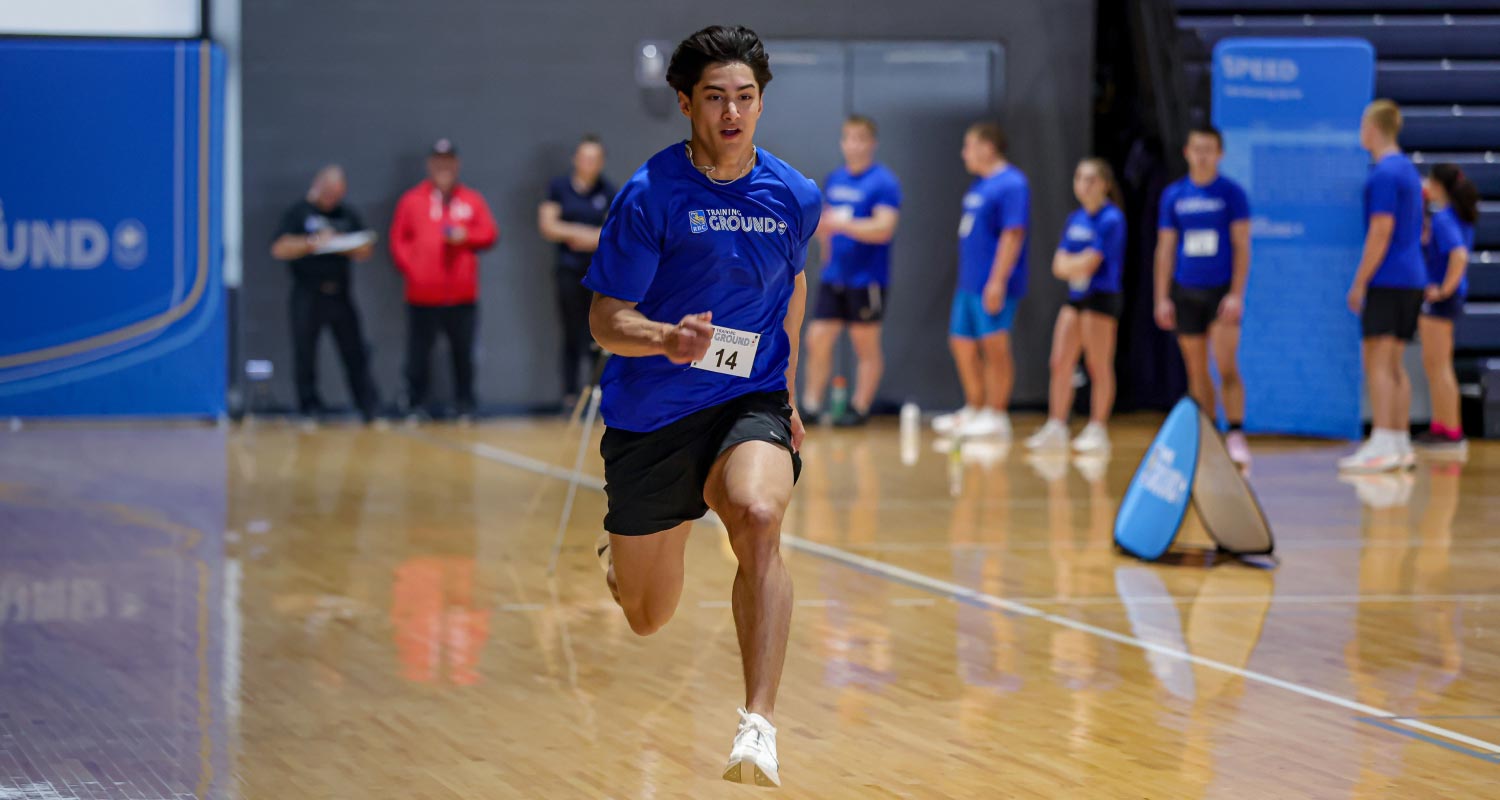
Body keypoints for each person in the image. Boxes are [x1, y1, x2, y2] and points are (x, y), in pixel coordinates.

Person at [584, 25, 819, 788]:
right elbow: (604, 318)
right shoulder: (650, 195)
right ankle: (621, 564)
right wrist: (664, 337)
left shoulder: (793, 196)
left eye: (745, 97)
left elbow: (793, 285)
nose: (731, 112)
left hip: (746, 400)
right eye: (714, 97)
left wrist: (788, 391)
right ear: (685, 102)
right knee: (648, 615)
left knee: (757, 514)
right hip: (653, 413)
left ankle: (759, 725)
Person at [1152, 126, 1253, 466]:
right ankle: (1207, 436)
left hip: (1220, 291)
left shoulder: (1231, 194)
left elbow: (1242, 245)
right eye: (1197, 149)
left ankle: (1236, 433)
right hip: (1185, 291)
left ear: (1220, 154)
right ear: (1187, 152)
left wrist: (1236, 293)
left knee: (1226, 365)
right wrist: (1161, 297)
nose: (1203, 155)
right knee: (1195, 371)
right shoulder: (1174, 195)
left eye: (1209, 149)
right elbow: (1165, 249)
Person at [1341, 100, 1426, 473]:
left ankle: (1381, 441)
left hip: (1388, 277)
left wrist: (1360, 281)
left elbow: (1381, 230)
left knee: (1375, 359)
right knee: (1394, 363)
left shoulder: (1383, 175)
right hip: (1412, 277)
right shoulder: (1408, 170)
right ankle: (1399, 441)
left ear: (1372, 129)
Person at [801, 115, 902, 427]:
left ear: (871, 143)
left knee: (865, 344)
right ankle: (811, 405)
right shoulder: (836, 179)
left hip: (867, 278)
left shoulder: (883, 182)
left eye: (860, 139)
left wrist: (844, 224)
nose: (853, 145)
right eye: (848, 138)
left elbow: (884, 228)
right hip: (835, 276)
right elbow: (828, 225)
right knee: (817, 337)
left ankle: (859, 407)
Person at [389, 139, 498, 422]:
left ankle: (465, 403)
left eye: (448, 161)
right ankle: (415, 403)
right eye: (438, 162)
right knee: (419, 353)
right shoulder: (412, 200)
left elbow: (489, 234)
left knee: (463, 352)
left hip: (461, 294)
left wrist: (467, 237)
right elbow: (398, 240)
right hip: (422, 293)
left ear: (456, 165)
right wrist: (413, 268)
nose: (443, 167)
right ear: (430, 165)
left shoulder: (471, 200)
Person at [932, 122, 1029, 439]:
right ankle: (975, 407)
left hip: (993, 281)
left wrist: (998, 281)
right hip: (969, 282)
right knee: (961, 342)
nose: (964, 153)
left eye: (969, 146)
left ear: (988, 147)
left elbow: (1013, 234)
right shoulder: (979, 185)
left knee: (995, 345)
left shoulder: (1012, 183)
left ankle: (997, 414)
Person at [1025, 158, 1126, 454]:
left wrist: (1075, 264)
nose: (1084, 184)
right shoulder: (1075, 219)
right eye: (1080, 177)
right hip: (1076, 298)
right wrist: (1074, 265)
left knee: (1097, 363)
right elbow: (1058, 264)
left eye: (1091, 179)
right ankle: (1057, 424)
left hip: (1101, 298)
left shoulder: (1111, 219)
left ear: (1105, 184)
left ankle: (1098, 427)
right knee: (1060, 361)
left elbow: (1091, 262)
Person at [269, 165, 380, 424]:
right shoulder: (299, 213)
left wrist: (341, 243)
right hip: (308, 293)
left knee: (354, 351)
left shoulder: (346, 214)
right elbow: (279, 248)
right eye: (328, 193)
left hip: (340, 293)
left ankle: (368, 406)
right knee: (305, 352)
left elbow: (365, 249)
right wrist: (311, 243)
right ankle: (309, 407)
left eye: (337, 194)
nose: (332, 199)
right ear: (318, 186)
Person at [538, 135, 617, 408]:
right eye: (584, 157)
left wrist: (581, 234)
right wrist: (585, 233)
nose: (588, 162)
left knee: (598, 332)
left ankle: (597, 394)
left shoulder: (608, 191)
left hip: (598, 273)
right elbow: (549, 226)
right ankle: (570, 395)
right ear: (575, 159)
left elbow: (613, 232)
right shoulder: (559, 187)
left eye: (594, 158)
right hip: (568, 271)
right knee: (571, 332)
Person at [1415, 163, 1478, 458]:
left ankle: (1451, 429)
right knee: (1435, 363)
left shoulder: (1444, 219)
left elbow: (1459, 255)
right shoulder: (1453, 216)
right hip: (1447, 297)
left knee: (1438, 365)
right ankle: (1442, 425)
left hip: (1441, 298)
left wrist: (1444, 288)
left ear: (1439, 185)